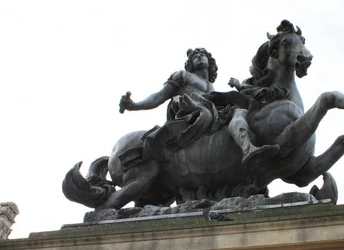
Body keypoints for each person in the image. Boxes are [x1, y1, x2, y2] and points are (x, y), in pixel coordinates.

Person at [119, 48, 279, 167]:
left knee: (239, 111)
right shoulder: (182, 75)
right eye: (195, 56)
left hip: (210, 110)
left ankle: (248, 148)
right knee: (209, 110)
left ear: (210, 63)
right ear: (190, 63)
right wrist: (134, 105)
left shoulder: (211, 86)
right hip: (188, 108)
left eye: (202, 55)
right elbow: (159, 96)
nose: (199, 57)